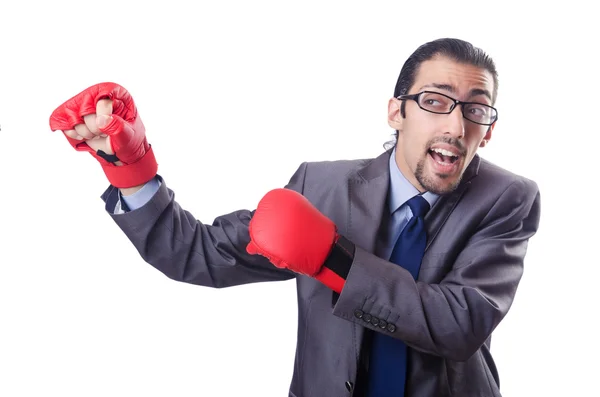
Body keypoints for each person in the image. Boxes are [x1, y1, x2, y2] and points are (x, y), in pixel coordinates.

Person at [49, 38, 541, 397]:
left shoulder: (506, 198)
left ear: (488, 130)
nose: (456, 126)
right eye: (435, 102)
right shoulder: (320, 186)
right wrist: (133, 172)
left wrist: (332, 258)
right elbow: (199, 255)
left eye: (477, 111)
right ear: (396, 112)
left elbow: (461, 323)